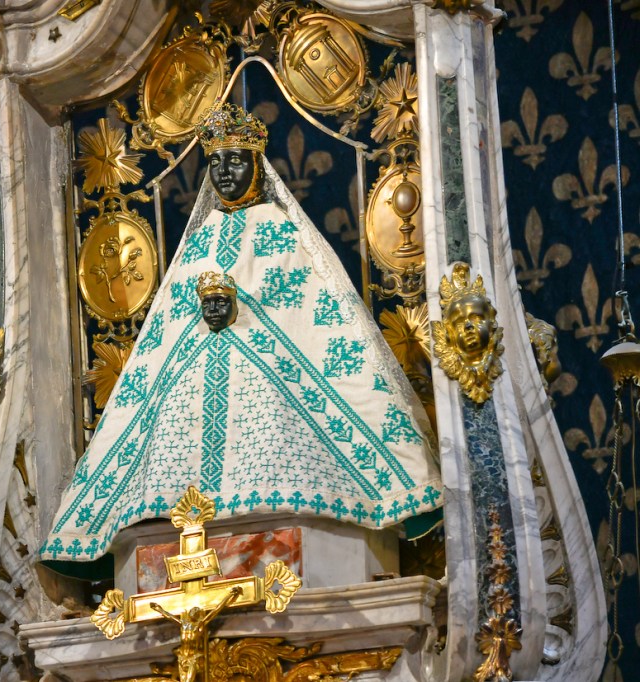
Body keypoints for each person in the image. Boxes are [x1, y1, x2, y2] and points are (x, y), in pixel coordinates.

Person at [41, 103, 442, 568]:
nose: (225, 172)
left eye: (235, 161)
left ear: (256, 166)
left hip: (272, 393)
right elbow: (169, 329)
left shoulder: (280, 229)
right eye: (215, 162)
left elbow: (307, 313)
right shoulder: (200, 238)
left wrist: (247, 315)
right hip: (194, 395)